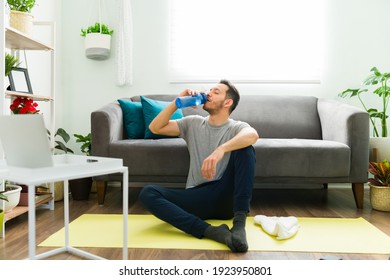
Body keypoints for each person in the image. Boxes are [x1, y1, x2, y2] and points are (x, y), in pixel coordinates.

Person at [138, 80, 259, 252]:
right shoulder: (192, 122)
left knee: (246, 149)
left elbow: (252, 135)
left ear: (228, 102)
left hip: (227, 198)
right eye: (209, 90)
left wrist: (221, 150)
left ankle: (239, 225)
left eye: (216, 92)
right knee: (148, 193)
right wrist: (177, 102)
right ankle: (211, 231)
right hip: (198, 197)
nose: (209, 93)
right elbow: (155, 127)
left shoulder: (236, 127)